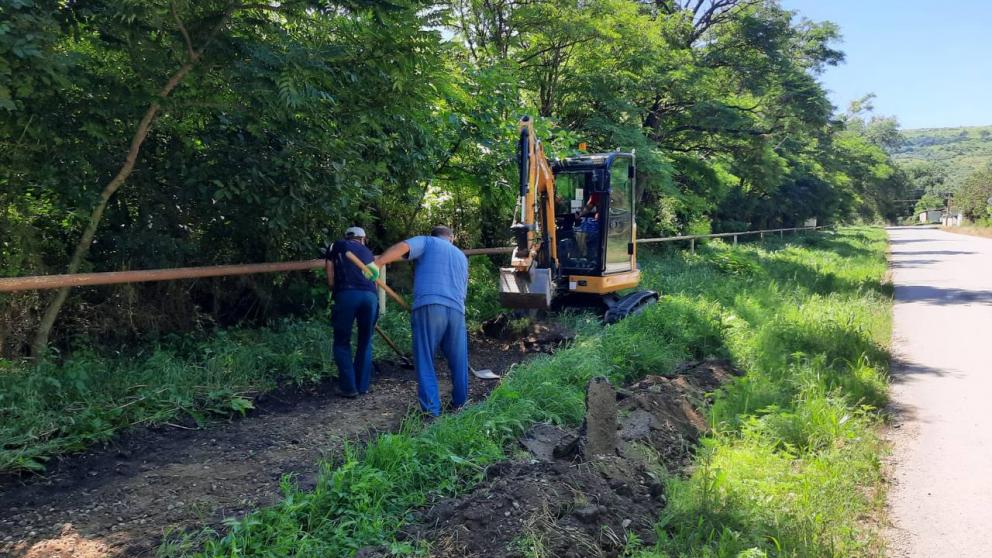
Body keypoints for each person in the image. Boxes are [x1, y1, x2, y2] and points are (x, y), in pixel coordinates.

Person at [375, 226, 469, 417]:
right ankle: (460, 404)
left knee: (425, 358)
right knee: (459, 360)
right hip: (457, 310)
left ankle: (431, 411)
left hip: (429, 306)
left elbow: (403, 247)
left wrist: (378, 262)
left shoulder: (427, 241)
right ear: (450, 238)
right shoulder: (461, 256)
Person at [324, 226, 380, 398]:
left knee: (341, 341)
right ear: (363, 239)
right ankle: (362, 386)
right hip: (371, 296)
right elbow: (375, 280)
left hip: (347, 294)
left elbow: (330, 270)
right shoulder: (368, 253)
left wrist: (334, 288)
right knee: (365, 340)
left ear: (347, 237)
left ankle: (349, 388)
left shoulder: (336, 246)